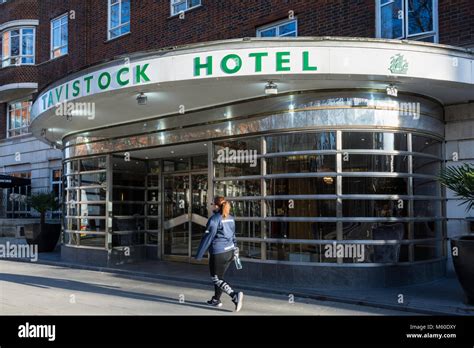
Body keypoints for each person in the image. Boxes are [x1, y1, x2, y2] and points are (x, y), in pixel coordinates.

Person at [195, 196, 244, 312]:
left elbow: (208, 237)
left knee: (216, 278)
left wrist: (199, 254)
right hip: (230, 252)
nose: (211, 206)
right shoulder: (231, 218)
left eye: (212, 204)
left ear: (217, 206)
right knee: (220, 278)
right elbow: (233, 235)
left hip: (219, 253)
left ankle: (235, 296)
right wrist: (236, 249)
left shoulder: (214, 219)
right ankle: (216, 299)